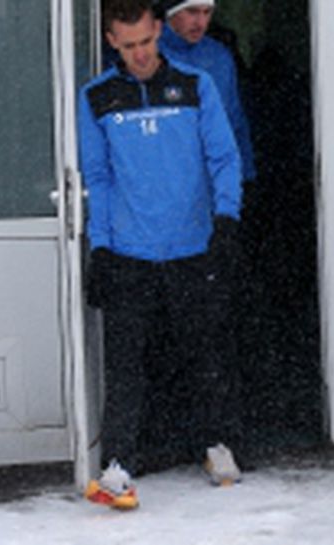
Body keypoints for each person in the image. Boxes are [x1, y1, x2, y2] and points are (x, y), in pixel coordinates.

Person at [78, 0, 244, 510]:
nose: (140, 55)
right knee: (127, 364)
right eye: (128, 47)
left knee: (205, 354)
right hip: (130, 251)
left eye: (146, 42)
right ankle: (119, 462)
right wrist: (100, 245)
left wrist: (227, 218)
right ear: (112, 42)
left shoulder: (196, 83)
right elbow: (99, 177)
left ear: (157, 31)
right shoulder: (98, 96)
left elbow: (223, 156)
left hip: (193, 246)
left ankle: (217, 444)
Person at [156, 0, 256, 187]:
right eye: (192, 12)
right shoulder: (147, 55)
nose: (200, 22)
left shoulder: (219, 57)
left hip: (210, 183)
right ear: (171, 13)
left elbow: (234, 121)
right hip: (162, 181)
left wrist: (244, 175)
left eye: (207, 12)